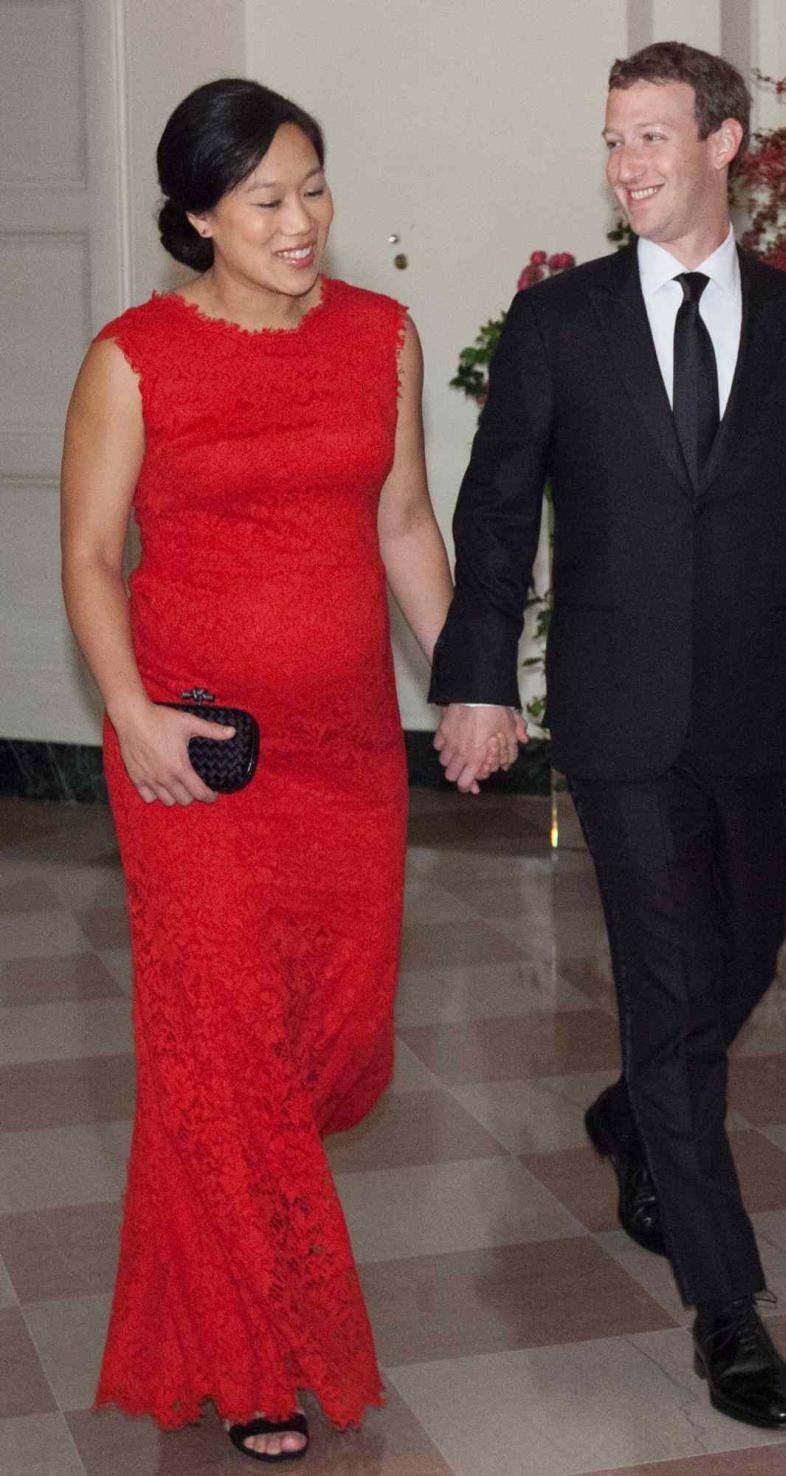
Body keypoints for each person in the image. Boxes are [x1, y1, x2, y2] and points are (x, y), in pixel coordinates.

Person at [430, 41, 786, 1432]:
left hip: (757, 708)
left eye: (650, 138)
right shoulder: (558, 325)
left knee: (743, 954)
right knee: (668, 984)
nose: (627, 165)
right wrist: (475, 680)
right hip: (620, 716)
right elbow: (499, 513)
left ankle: (636, 1117)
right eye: (613, 140)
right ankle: (726, 1305)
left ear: (725, 145)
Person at [59, 78, 496, 1464]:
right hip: (198, 766)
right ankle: (264, 1361)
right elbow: (88, 556)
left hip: (350, 758)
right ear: (197, 217)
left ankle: (214, 1277)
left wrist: (472, 678)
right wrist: (127, 710)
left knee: (337, 1050)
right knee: (226, 1054)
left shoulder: (383, 338)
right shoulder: (133, 357)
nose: (300, 222)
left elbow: (409, 521)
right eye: (264, 200)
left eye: (313, 189)